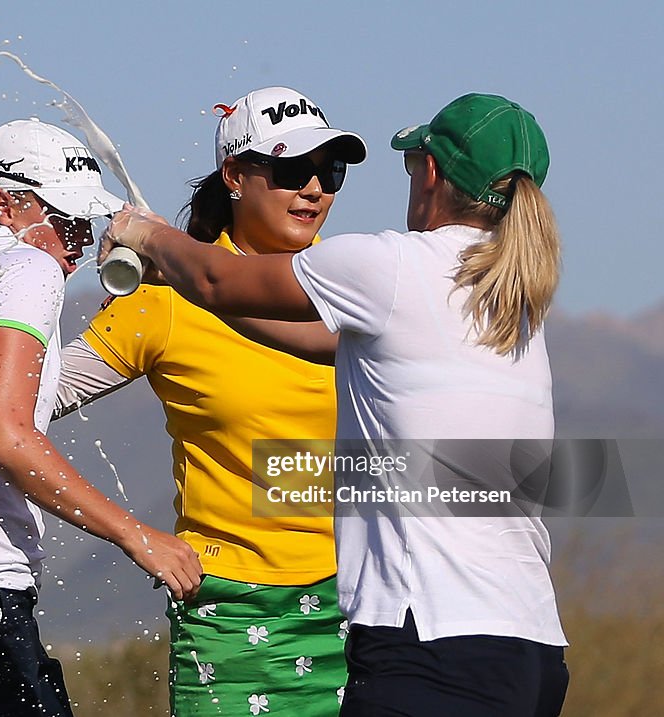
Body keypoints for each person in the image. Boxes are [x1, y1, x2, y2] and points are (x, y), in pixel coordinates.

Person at [102, 93, 569, 717]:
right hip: (531, 646)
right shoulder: (507, 297)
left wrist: (147, 235)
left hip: (429, 643)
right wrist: (181, 285)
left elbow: (220, 278)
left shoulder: (390, 266)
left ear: (429, 172)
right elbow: (308, 335)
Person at [55, 87, 367, 716]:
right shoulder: (163, 297)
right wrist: (22, 280)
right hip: (233, 616)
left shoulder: (359, 286)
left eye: (329, 172)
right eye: (288, 170)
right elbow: (25, 403)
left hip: (366, 611)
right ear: (234, 175)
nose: (314, 189)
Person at [0, 118, 202, 717]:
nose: (78, 241)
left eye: (88, 222)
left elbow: (8, 403)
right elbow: (6, 437)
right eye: (67, 218)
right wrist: (136, 534)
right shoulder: (29, 269)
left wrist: (124, 318)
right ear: (5, 204)